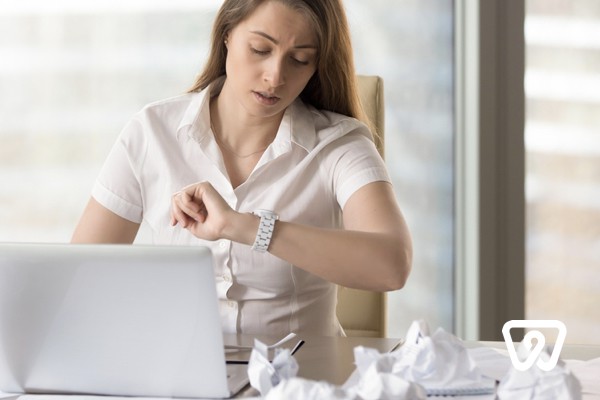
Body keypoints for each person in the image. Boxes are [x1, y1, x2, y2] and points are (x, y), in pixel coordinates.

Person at [72, 0, 412, 337]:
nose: (275, 76)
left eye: (299, 59)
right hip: (178, 378)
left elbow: (391, 265)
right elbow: (79, 277)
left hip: (299, 382)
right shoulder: (152, 131)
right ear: (227, 35)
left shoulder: (339, 144)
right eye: (260, 49)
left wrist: (245, 227)